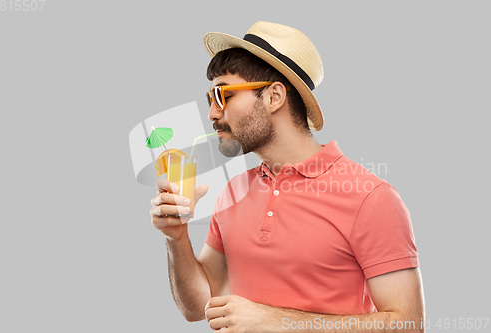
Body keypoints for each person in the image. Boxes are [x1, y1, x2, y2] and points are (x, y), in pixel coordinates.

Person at [150, 21, 425, 332]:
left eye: (221, 94)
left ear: (274, 97)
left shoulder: (370, 197)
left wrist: (273, 320)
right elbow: (200, 304)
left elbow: (407, 325)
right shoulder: (234, 190)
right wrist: (176, 237)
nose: (213, 113)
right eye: (209, 99)